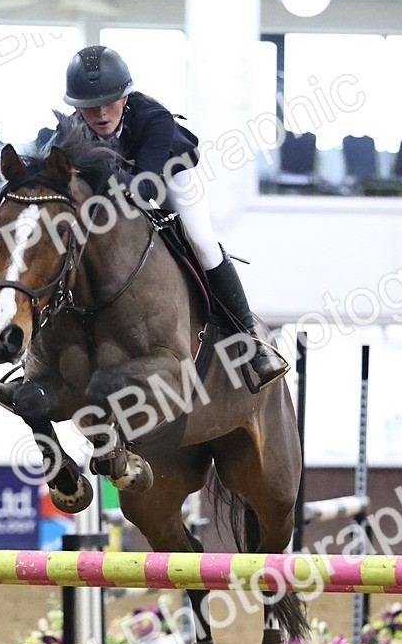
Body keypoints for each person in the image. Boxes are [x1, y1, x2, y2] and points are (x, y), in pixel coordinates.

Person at [61, 46, 288, 390]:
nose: (102, 113)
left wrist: (96, 177)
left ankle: (252, 340)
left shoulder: (154, 118)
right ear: (77, 106)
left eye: (110, 101)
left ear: (126, 97)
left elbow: (147, 188)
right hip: (117, 188)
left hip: (170, 179)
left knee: (201, 240)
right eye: (90, 105)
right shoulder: (69, 131)